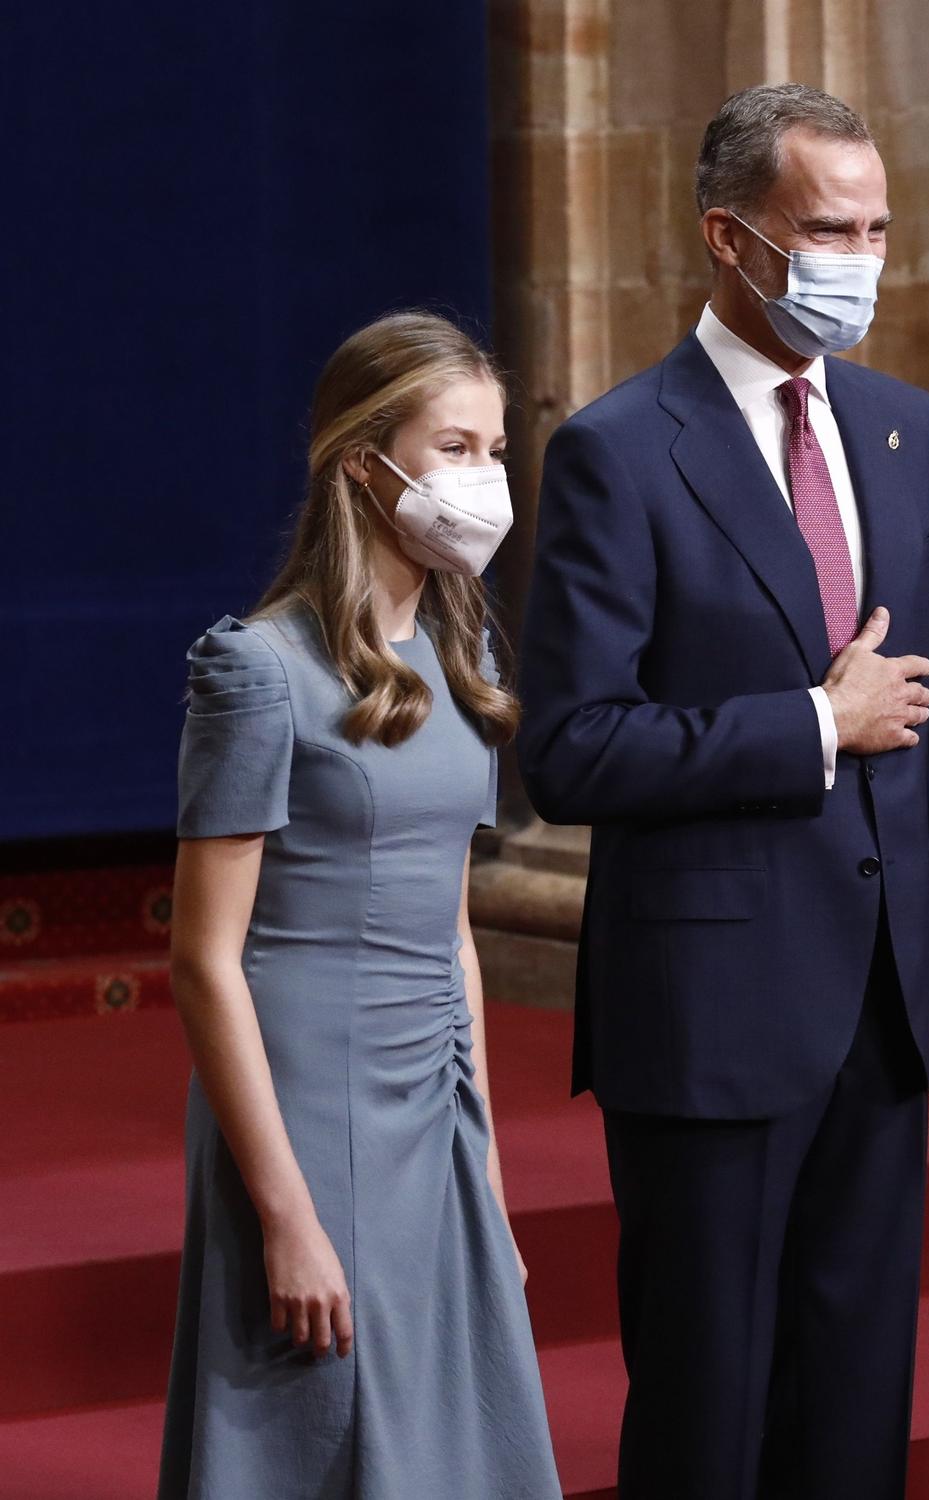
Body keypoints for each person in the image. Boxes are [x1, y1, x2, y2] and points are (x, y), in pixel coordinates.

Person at [516, 83, 929, 1499]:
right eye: (826, 229)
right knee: (708, 1412)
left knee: (856, 1408)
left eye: (877, 227)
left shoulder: (911, 433)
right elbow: (572, 748)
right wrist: (809, 724)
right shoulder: (619, 449)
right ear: (730, 237)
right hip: (711, 1012)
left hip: (885, 1008)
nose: (859, 258)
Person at [158, 311, 561, 1498]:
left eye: (493, 449)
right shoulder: (256, 668)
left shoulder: (456, 648)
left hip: (429, 1103)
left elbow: (451, 933)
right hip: (308, 1103)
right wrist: (282, 1211)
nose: (483, 480)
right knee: (318, 1426)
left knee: (455, 1430)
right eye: (453, 448)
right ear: (360, 463)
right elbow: (202, 959)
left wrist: (482, 1169)